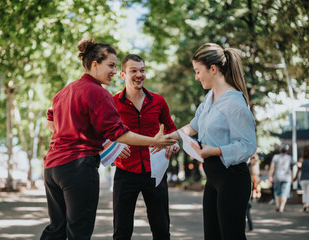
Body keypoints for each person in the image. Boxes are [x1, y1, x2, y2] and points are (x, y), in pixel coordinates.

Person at [41, 39, 175, 240]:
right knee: (79, 231)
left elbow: (51, 125)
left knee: (56, 230)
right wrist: (154, 142)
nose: (113, 71)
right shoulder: (98, 92)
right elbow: (119, 134)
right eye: (110, 65)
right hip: (78, 167)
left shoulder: (63, 92)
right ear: (95, 64)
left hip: (53, 167)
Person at [166, 43, 257, 240]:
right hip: (213, 179)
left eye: (198, 71)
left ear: (213, 69)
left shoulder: (235, 103)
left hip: (232, 178)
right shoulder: (209, 98)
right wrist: (168, 137)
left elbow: (248, 145)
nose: (196, 77)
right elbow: (193, 126)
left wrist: (215, 151)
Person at [112, 54, 180, 240]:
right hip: (125, 172)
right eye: (133, 70)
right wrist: (114, 145)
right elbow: (104, 133)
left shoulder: (158, 101)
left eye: (142, 70)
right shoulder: (112, 103)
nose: (139, 74)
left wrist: (172, 144)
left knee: (161, 230)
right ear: (122, 74)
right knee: (121, 231)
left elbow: (171, 128)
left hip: (155, 172)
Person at [268, 144, 295, 213]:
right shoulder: (289, 157)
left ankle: (277, 206)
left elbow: (272, 168)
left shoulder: (275, 157)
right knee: (284, 193)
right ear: (287, 151)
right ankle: (281, 207)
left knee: (277, 192)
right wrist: (293, 178)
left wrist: (270, 176)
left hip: (277, 177)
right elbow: (293, 167)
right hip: (286, 178)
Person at [293, 146, 309, 212]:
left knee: (304, 192)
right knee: (308, 193)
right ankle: (308, 205)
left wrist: (295, 177)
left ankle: (305, 204)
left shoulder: (301, 161)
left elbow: (298, 171)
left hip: (302, 179)